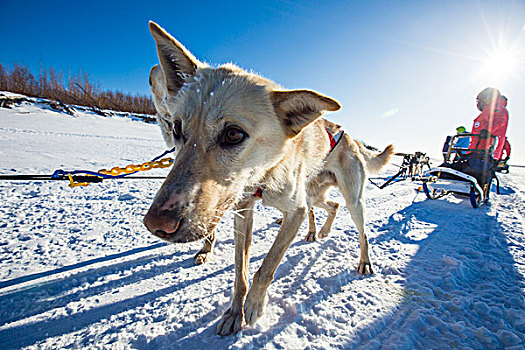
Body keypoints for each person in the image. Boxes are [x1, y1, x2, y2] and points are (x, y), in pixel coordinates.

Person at [468, 87, 509, 160]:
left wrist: (487, 131)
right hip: (476, 151)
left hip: (485, 153)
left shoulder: (497, 109)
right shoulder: (487, 111)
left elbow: (498, 121)